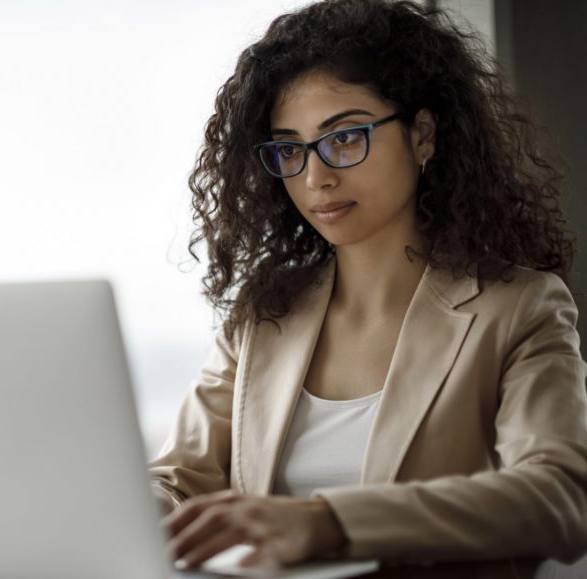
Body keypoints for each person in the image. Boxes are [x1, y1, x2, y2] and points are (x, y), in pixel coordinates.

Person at [148, 0, 587, 577]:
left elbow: (557, 500)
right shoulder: (265, 314)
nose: (316, 177)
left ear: (422, 134)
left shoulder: (519, 307)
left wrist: (328, 521)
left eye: (345, 137)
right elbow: (180, 479)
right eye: (290, 149)